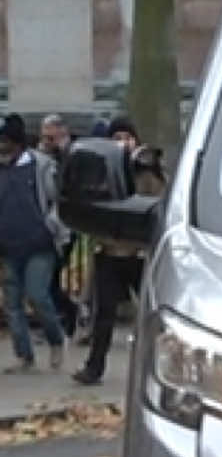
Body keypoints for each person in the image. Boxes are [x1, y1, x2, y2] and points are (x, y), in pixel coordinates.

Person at [71, 116, 157, 387]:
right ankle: (94, 368)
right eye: (117, 138)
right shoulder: (102, 170)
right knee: (103, 314)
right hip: (109, 251)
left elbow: (156, 200)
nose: (123, 143)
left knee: (150, 314)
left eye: (127, 137)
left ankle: (156, 369)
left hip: (139, 253)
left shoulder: (146, 168)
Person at [0, 113, 67, 373]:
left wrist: (53, 228)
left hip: (39, 245)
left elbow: (57, 201)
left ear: (18, 143)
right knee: (13, 305)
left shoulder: (41, 167)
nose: (2, 148)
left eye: (6, 142)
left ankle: (56, 339)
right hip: (7, 247)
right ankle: (24, 355)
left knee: (38, 295)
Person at [37, 113, 78, 335]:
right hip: (49, 225)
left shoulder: (72, 154)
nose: (47, 141)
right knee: (49, 279)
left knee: (58, 276)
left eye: (50, 137)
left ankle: (69, 317)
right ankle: (62, 319)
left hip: (67, 224)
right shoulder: (42, 156)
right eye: (45, 137)